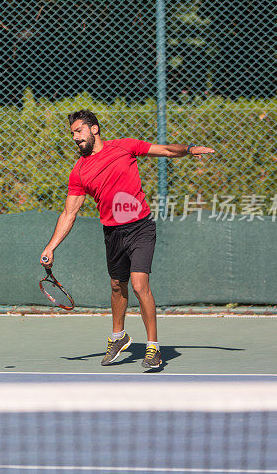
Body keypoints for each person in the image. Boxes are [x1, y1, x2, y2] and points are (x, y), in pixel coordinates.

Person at [39, 110, 214, 369]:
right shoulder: (79, 172)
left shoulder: (124, 147)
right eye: (72, 133)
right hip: (112, 233)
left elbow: (165, 150)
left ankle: (153, 347)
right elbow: (69, 212)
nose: (75, 137)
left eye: (79, 131)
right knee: (116, 286)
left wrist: (188, 149)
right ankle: (118, 337)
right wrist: (51, 246)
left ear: (94, 129)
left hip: (141, 227)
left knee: (138, 283)